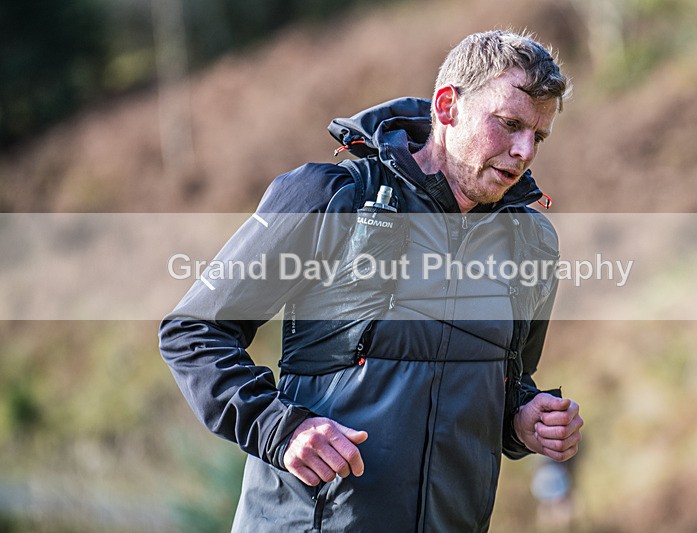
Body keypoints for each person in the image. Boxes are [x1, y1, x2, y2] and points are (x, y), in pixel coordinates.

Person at [160, 29, 583, 532]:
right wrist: (281, 429)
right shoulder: (329, 196)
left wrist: (523, 419)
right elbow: (193, 332)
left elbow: (507, 383)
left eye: (538, 136)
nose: (523, 151)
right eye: (510, 124)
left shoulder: (531, 242)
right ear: (447, 107)